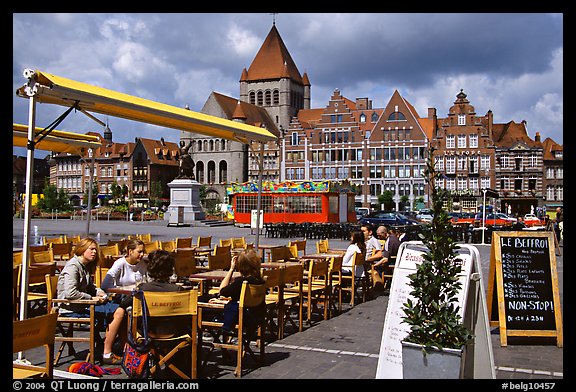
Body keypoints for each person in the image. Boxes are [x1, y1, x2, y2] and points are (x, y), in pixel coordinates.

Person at [57, 237, 125, 365]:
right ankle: (107, 351)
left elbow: (90, 287)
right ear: (82, 250)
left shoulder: (84, 266)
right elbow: (70, 293)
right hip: (72, 308)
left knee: (120, 307)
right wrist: (91, 298)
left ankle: (118, 347)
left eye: (96, 249)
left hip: (83, 305)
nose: (94, 252)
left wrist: (99, 292)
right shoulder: (73, 267)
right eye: (91, 249)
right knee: (118, 311)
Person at [138, 249, 189, 338]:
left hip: (148, 332)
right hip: (175, 333)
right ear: (171, 269)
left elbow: (124, 303)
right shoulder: (178, 290)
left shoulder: (142, 289)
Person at [101, 239, 148, 310]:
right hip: (123, 297)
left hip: (140, 297)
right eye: (139, 252)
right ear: (130, 252)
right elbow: (105, 285)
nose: (142, 255)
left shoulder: (143, 263)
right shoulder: (120, 263)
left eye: (143, 252)